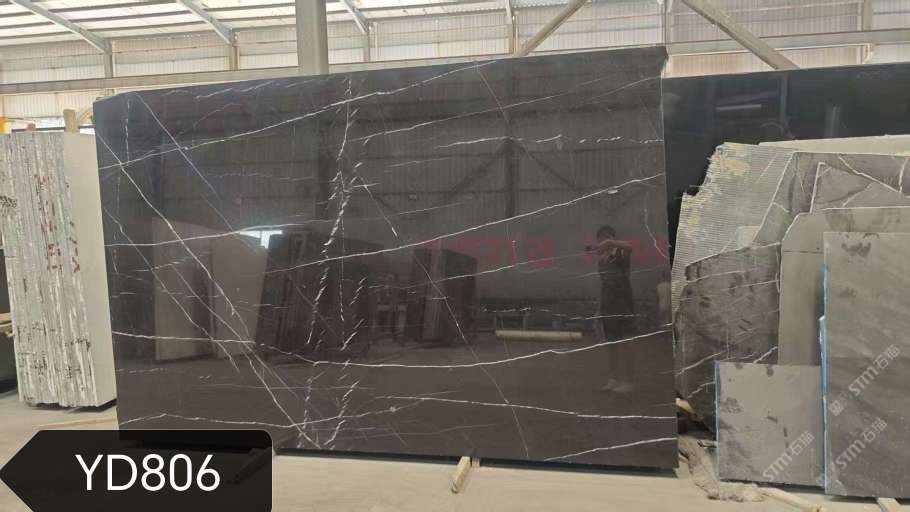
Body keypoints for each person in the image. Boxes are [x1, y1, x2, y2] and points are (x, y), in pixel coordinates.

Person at [592, 225, 635, 340]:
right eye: (601, 239)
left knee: (627, 338)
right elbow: (603, 284)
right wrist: (599, 309)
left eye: (605, 239)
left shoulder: (620, 252)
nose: (603, 243)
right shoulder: (602, 259)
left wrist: (611, 243)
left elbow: (629, 247)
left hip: (623, 301)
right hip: (607, 302)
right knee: (610, 339)